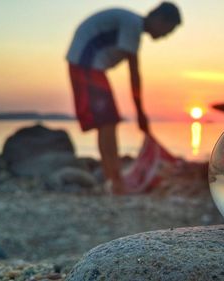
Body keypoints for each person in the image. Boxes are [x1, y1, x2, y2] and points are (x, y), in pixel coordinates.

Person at [66, 2, 181, 194]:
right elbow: (134, 72)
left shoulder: (131, 23)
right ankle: (115, 181)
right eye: (167, 30)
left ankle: (112, 178)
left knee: (107, 122)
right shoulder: (132, 25)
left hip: (88, 64)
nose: (164, 36)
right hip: (86, 63)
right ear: (159, 19)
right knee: (107, 122)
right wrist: (140, 114)